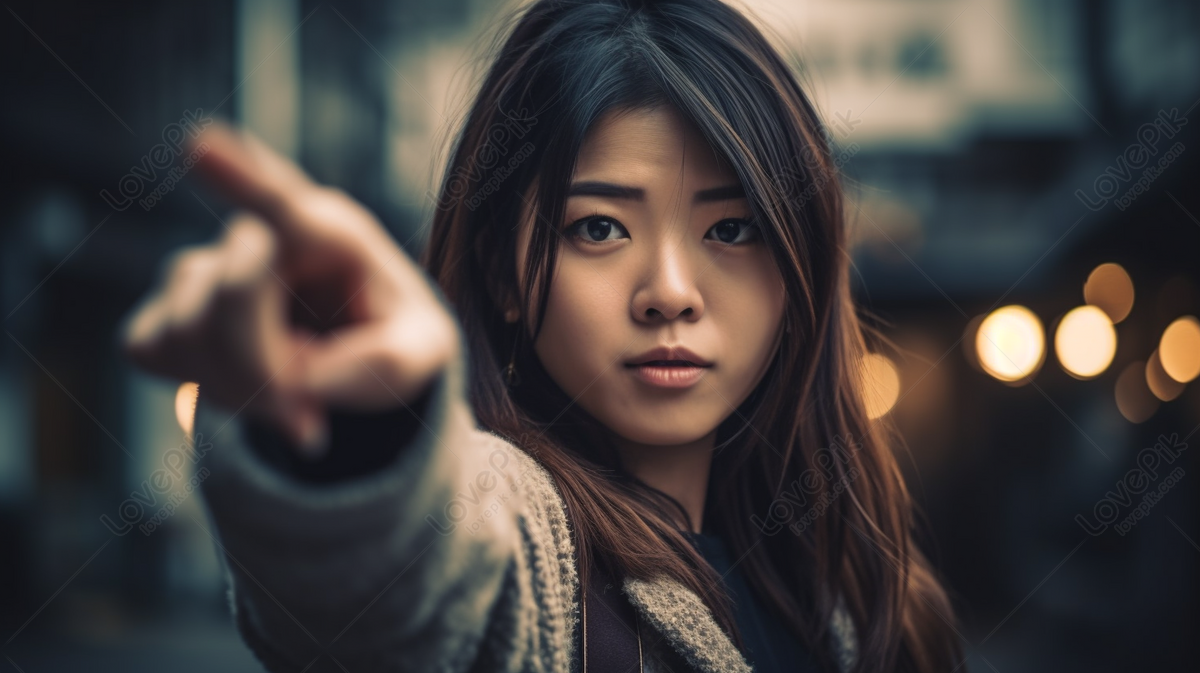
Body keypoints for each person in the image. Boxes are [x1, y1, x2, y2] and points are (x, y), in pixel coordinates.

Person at [123, 0, 963, 671]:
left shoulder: (876, 603)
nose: (669, 293)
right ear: (502, 274)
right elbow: (423, 580)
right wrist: (357, 430)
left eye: (732, 230)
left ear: (799, 269)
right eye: (598, 228)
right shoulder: (531, 557)